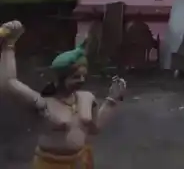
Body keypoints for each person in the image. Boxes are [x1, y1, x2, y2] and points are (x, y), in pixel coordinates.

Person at [0, 20, 127, 169]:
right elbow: (9, 83)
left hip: (80, 162)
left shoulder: (86, 97)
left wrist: (112, 100)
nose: (81, 80)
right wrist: (9, 45)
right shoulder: (42, 102)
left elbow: (94, 128)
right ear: (59, 78)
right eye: (75, 77)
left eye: (83, 76)